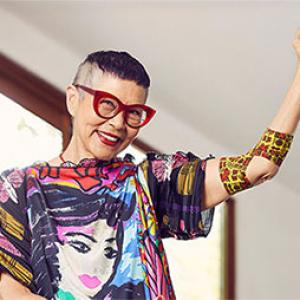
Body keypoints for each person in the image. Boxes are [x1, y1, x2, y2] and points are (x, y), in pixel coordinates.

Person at [0, 28, 299, 300]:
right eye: (107, 103)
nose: (118, 123)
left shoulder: (147, 184)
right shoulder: (18, 191)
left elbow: (259, 165)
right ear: (73, 99)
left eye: (134, 113)